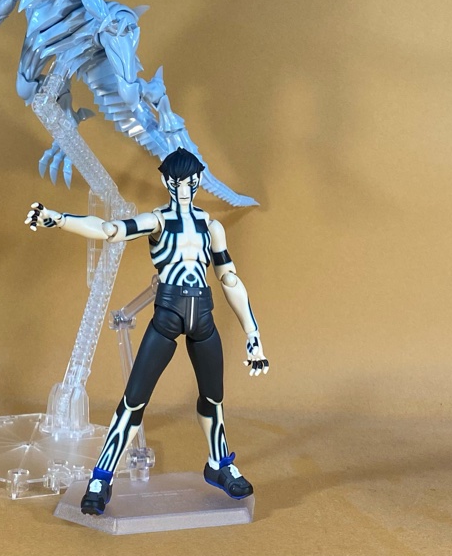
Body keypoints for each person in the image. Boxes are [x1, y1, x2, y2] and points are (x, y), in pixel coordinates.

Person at [25, 147, 269, 515]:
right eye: (177, 182)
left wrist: (253, 334)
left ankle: (218, 464)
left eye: (190, 181)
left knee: (213, 398)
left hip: (203, 316)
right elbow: (110, 230)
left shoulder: (211, 227)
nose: (184, 189)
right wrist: (59, 219)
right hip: (168, 314)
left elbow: (229, 278)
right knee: (134, 400)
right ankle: (101, 477)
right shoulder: (157, 221)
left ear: (198, 180)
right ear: (167, 182)